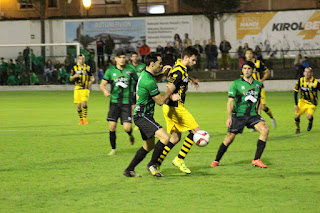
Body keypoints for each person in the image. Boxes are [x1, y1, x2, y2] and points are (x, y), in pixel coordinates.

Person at [123, 52, 180, 177]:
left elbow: (153, 80)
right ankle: (152, 164)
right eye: (160, 63)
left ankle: (129, 170)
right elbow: (160, 101)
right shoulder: (149, 81)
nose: (161, 65)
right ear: (152, 63)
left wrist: (163, 74)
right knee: (165, 137)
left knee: (148, 146)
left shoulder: (145, 74)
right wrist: (170, 90)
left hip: (141, 115)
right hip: (142, 116)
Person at [210, 61, 269, 168]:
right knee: (229, 138)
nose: (246, 71)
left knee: (265, 130)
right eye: (244, 68)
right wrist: (229, 118)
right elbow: (230, 102)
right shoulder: (236, 84)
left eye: (249, 68)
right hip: (238, 115)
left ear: (252, 70)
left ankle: (256, 159)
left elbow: (259, 100)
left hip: (252, 115)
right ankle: (216, 160)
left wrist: (259, 115)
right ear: (242, 70)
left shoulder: (258, 84)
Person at [154, 46, 202, 174]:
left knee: (175, 138)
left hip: (169, 108)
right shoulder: (178, 71)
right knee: (197, 132)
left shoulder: (181, 67)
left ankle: (156, 163)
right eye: (193, 60)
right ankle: (179, 159)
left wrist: (191, 80)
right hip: (175, 107)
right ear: (186, 58)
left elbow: (180, 77)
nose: (194, 62)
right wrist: (170, 96)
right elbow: (171, 86)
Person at [100, 50, 138, 156]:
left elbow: (138, 81)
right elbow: (102, 84)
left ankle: (130, 135)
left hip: (126, 102)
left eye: (123, 57)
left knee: (127, 128)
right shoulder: (111, 70)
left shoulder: (130, 70)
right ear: (115, 59)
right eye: (120, 57)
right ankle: (113, 149)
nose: (122, 59)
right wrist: (105, 90)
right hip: (114, 102)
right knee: (112, 126)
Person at [244, 48, 277, 128]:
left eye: (250, 53)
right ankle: (255, 125)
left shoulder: (258, 63)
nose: (249, 55)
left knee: (263, 107)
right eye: (247, 53)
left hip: (259, 88)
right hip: (250, 89)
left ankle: (272, 118)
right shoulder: (245, 65)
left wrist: (261, 80)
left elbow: (267, 72)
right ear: (245, 55)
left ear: (253, 55)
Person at [70, 54, 94, 125]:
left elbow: (92, 77)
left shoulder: (87, 68)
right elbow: (70, 78)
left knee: (84, 102)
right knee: (78, 106)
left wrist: (91, 81)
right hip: (77, 89)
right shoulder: (74, 68)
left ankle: (85, 118)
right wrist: (74, 76)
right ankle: (81, 120)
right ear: (78, 59)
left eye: (83, 59)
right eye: (80, 59)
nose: (82, 60)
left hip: (85, 88)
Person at [294, 67, 320, 134]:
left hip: (312, 102)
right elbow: (295, 92)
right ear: (303, 73)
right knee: (296, 116)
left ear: (311, 73)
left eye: (308, 72)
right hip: (302, 101)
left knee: (309, 116)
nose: (307, 73)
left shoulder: (316, 82)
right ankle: (298, 128)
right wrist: (296, 104)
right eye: (306, 72)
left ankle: (310, 122)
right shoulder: (300, 81)